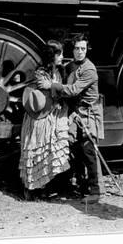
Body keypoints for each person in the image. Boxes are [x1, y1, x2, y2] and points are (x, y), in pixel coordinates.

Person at [37, 34, 104, 203]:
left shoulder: (89, 69)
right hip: (76, 113)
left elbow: (73, 90)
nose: (79, 52)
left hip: (89, 115)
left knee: (89, 152)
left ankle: (96, 191)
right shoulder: (71, 65)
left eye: (82, 48)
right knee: (76, 151)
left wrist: (51, 85)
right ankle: (81, 188)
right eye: (76, 48)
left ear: (86, 49)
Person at [19, 40, 71, 196]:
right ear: (51, 56)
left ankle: (47, 186)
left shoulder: (58, 71)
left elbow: (55, 90)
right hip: (41, 117)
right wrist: (58, 89)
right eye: (59, 54)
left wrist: (56, 88)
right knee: (38, 151)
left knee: (50, 151)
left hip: (53, 115)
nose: (62, 57)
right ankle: (33, 188)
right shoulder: (41, 73)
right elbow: (50, 90)